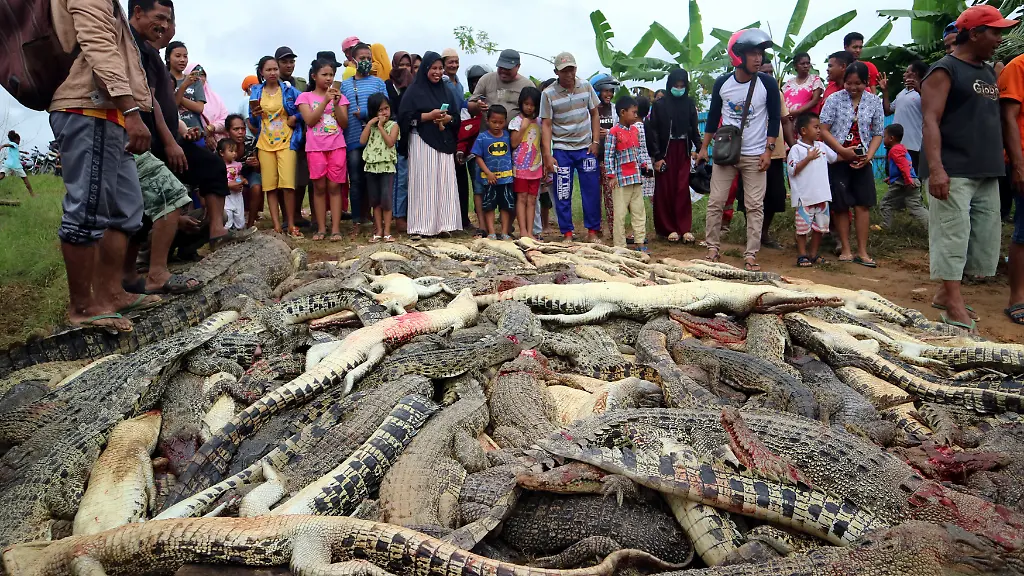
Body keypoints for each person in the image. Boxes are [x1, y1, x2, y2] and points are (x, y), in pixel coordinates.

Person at [51, 0, 155, 330]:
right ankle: (83, 306)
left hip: (110, 114)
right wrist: (132, 111)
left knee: (125, 209)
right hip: (89, 108)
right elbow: (97, 44)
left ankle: (112, 292)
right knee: (89, 207)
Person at [922, 5, 1016, 330]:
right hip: (953, 168)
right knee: (952, 235)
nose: (1000, 39)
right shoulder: (944, 70)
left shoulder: (989, 71)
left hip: (986, 170)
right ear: (974, 33)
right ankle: (953, 305)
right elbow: (930, 121)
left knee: (980, 238)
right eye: (995, 32)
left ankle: (943, 294)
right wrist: (936, 169)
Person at [698, 29, 780, 271]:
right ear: (737, 56)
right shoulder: (723, 84)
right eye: (753, 53)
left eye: (761, 53)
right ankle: (712, 247)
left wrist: (769, 151)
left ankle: (751, 254)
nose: (759, 59)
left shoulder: (767, 83)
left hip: (756, 155)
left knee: (755, 206)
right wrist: (704, 148)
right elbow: (712, 119)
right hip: (726, 154)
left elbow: (774, 119)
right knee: (716, 201)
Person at [819, 61, 884, 268]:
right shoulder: (833, 99)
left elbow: (878, 133)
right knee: (840, 205)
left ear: (866, 82)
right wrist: (842, 151)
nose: (853, 87)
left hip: (863, 159)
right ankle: (845, 249)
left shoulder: (874, 102)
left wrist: (869, 156)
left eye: (858, 83)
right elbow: (824, 129)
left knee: (863, 205)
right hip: (839, 159)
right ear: (844, 82)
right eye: (849, 83)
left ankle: (862, 251)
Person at [398, 51, 461, 240]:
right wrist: (428, 116)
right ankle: (421, 225)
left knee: (443, 181)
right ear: (425, 68)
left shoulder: (446, 89)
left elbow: (456, 117)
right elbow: (404, 117)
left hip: (443, 140)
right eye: (433, 68)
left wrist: (447, 118)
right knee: (423, 182)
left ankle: (444, 224)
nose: (437, 72)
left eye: (440, 68)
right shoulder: (414, 91)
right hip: (421, 141)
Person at [540, 52, 602, 243]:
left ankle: (592, 232)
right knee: (562, 191)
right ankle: (567, 233)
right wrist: (548, 155)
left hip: (586, 148)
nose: (569, 74)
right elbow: (547, 125)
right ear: (556, 72)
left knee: (591, 190)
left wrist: (596, 141)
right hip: (562, 149)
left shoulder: (585, 86)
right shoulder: (548, 94)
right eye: (564, 70)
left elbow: (594, 114)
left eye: (572, 69)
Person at [249, 56, 303, 236]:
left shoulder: (289, 90)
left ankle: (291, 224)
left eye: (275, 69)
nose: (272, 73)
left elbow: (303, 108)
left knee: (288, 185)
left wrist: (295, 118)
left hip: (287, 141)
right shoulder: (256, 91)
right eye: (268, 70)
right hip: (264, 142)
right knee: (270, 186)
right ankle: (277, 226)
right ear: (262, 72)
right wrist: (255, 114)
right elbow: (253, 120)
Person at [297, 58, 349, 241]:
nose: (328, 78)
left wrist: (335, 103)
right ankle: (320, 227)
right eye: (324, 74)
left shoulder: (340, 98)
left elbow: (344, 123)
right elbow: (310, 120)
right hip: (315, 147)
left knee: (335, 186)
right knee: (319, 187)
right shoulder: (305, 97)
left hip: (337, 145)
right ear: (314, 76)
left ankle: (335, 228)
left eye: (331, 75)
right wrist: (324, 101)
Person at [745, 61, 794, 250]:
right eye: (764, 71)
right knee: (748, 197)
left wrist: (794, 147)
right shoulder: (745, 91)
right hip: (751, 152)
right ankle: (752, 232)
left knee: (774, 195)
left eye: (770, 72)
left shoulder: (777, 93)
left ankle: (763, 233)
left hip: (774, 153)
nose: (768, 75)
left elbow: (785, 121)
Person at [648, 68, 701, 243]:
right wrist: (657, 156)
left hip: (683, 150)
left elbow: (694, 129)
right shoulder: (660, 105)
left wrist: (701, 149)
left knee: (681, 188)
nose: (679, 88)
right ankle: (668, 229)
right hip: (666, 151)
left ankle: (684, 228)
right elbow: (653, 131)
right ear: (670, 85)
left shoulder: (689, 104)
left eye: (682, 85)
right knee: (664, 189)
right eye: (676, 85)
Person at [341, 43, 387, 236]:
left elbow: (386, 109)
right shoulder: (345, 84)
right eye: (362, 58)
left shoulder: (378, 83)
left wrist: (367, 114)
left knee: (374, 179)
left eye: (369, 58)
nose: (366, 61)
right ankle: (357, 220)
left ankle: (374, 219)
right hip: (353, 138)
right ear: (353, 60)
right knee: (356, 179)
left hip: (376, 139)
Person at [787, 113, 837, 267]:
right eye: (815, 127)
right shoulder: (796, 149)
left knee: (820, 228)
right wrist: (808, 158)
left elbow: (834, 158)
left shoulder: (821, 146)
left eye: (819, 127)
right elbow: (792, 170)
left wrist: (852, 155)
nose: (819, 130)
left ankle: (813, 254)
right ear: (803, 130)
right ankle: (802, 254)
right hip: (805, 198)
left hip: (822, 196)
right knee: (802, 228)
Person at [603, 96, 652, 250]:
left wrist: (644, 165)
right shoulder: (614, 132)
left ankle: (639, 242)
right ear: (623, 112)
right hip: (621, 181)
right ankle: (620, 246)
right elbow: (608, 156)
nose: (636, 115)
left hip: (636, 179)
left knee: (639, 212)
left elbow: (639, 151)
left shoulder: (635, 130)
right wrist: (611, 176)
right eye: (634, 112)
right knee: (620, 214)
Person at [1001, 53, 1024, 325]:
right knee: (1023, 228)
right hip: (1022, 158)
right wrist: (1018, 164)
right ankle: (1017, 298)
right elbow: (1008, 117)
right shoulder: (1017, 66)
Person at [361, 93, 399, 242]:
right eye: (380, 110)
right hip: (371, 167)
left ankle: (388, 231)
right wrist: (370, 125)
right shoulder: (371, 127)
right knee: (375, 200)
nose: (384, 113)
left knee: (386, 199)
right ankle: (378, 230)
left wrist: (381, 127)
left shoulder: (393, 125)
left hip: (387, 167)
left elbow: (390, 142)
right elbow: (362, 141)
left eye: (386, 108)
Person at [473, 106, 515, 239]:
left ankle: (504, 232)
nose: (497, 125)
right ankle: (491, 232)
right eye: (494, 122)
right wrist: (488, 173)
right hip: (488, 179)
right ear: (487, 120)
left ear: (505, 121)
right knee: (489, 206)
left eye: (501, 122)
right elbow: (477, 157)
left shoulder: (508, 136)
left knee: (505, 206)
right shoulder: (482, 137)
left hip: (506, 179)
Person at [878, 123, 927, 230]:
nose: (883, 139)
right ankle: (932, 226)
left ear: (891, 138)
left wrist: (908, 180)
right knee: (915, 206)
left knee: (886, 203)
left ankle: (886, 226)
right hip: (911, 180)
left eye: (884, 136)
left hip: (903, 182)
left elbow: (904, 166)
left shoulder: (895, 150)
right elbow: (904, 166)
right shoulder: (902, 148)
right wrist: (892, 178)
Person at [511, 87, 544, 240]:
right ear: (521, 104)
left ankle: (531, 232)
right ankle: (522, 231)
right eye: (526, 104)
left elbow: (543, 144)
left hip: (535, 168)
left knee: (532, 200)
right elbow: (513, 143)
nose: (529, 107)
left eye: (533, 105)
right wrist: (523, 127)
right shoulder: (516, 121)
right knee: (522, 198)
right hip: (520, 169)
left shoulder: (539, 122)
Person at [882, 61, 928, 171]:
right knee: (893, 176)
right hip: (895, 144)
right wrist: (885, 91)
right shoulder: (901, 93)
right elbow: (888, 110)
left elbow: (931, 107)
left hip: (912, 145)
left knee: (911, 178)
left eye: (907, 72)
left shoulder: (925, 91)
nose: (904, 74)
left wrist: (920, 90)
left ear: (915, 74)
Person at [471, 49, 537, 125]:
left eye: (507, 69)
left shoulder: (527, 85)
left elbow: (536, 112)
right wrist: (477, 106)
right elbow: (470, 106)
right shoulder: (486, 79)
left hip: (515, 135)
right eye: (501, 67)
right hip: (487, 135)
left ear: (518, 66)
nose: (503, 71)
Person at [387, 51, 415, 232]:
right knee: (399, 179)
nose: (404, 69)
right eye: (401, 65)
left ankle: (412, 214)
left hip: (411, 136)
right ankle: (398, 216)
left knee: (411, 178)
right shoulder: (387, 85)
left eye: (407, 65)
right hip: (391, 138)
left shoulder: (413, 86)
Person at [592, 74, 621, 238]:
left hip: (609, 161)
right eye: (605, 91)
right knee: (594, 196)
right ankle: (596, 229)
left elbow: (621, 130)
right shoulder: (591, 109)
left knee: (611, 198)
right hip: (593, 159)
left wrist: (609, 132)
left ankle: (614, 230)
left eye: (611, 91)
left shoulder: (615, 109)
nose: (608, 94)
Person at [165, 42, 207, 144]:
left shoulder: (194, 80)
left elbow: (199, 108)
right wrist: (183, 86)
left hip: (197, 133)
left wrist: (177, 95)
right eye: (178, 56)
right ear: (168, 58)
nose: (182, 60)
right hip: (175, 134)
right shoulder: (164, 80)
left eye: (185, 56)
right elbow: (172, 107)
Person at [225, 114, 262, 227]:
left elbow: (258, 169)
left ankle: (250, 223)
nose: (240, 132)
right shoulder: (224, 146)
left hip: (249, 173)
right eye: (236, 129)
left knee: (256, 187)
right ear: (228, 131)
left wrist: (256, 163)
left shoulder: (250, 142)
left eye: (243, 128)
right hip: (229, 176)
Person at [184, 63, 229, 148]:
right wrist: (204, 135)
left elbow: (226, 120)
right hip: (194, 140)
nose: (199, 78)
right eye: (195, 74)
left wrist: (211, 128)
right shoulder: (183, 96)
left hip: (219, 145)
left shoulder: (215, 97)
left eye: (202, 75)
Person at [783, 52, 824, 120]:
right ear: (795, 66)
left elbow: (815, 100)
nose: (806, 66)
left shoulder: (814, 79)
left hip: (805, 119)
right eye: (802, 64)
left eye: (808, 63)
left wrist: (798, 111)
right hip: (787, 120)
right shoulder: (789, 83)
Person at [218, 139, 246, 230]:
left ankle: (238, 230)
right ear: (222, 153)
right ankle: (227, 233)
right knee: (228, 215)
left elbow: (238, 176)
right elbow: (219, 180)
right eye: (231, 151)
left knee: (240, 216)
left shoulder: (237, 165)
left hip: (237, 194)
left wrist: (240, 181)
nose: (234, 153)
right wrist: (230, 185)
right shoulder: (219, 166)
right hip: (226, 196)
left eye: (235, 151)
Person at [0, 131, 34, 196]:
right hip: (16, 165)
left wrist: (24, 152)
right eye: (19, 140)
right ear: (16, 140)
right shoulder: (13, 144)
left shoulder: (13, 145)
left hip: (8, 164)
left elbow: (15, 148)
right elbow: (10, 145)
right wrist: (3, 145)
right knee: (25, 179)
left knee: (1, 175)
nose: (19, 142)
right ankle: (32, 194)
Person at [441, 48, 467, 115]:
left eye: (456, 62)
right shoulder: (440, 83)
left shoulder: (460, 86)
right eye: (451, 62)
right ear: (443, 64)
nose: (454, 65)